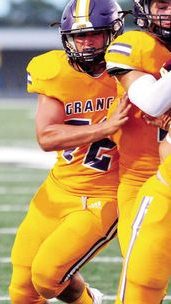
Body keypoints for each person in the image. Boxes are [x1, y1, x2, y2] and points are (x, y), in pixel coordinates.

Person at [9, 1, 129, 303]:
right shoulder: (53, 70)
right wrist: (105, 127)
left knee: (48, 279)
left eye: (94, 35)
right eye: (79, 36)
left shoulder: (133, 71)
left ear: (113, 33)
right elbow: (47, 136)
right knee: (22, 289)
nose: (86, 44)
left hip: (106, 195)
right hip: (58, 187)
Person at [105, 0, 171, 302]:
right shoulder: (133, 44)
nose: (169, 12)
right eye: (162, 4)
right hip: (141, 176)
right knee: (141, 276)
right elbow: (151, 103)